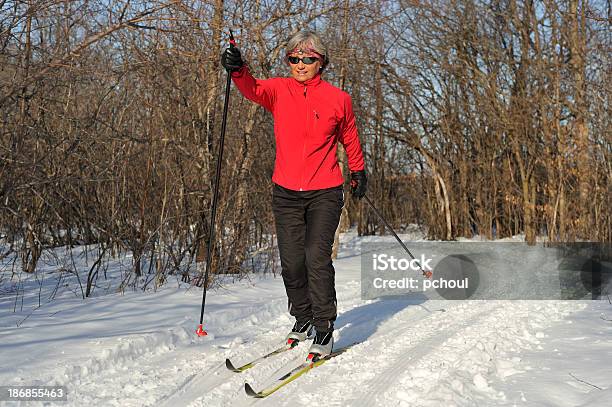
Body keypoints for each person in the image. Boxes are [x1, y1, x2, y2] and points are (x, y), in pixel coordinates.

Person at [221, 30, 367, 358]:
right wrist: (238, 68)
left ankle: (324, 326)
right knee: (291, 262)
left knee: (316, 257)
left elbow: (350, 136)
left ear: (322, 62)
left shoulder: (337, 99)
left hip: (325, 191)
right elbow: (252, 88)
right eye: (294, 59)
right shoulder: (278, 90)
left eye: (307, 59)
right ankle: (302, 318)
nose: (300, 64)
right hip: (285, 191)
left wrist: (358, 170)